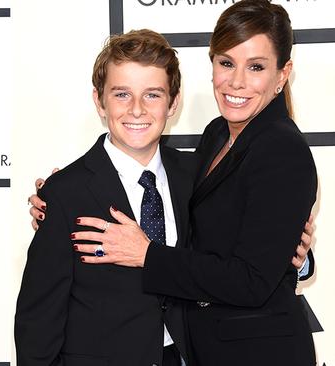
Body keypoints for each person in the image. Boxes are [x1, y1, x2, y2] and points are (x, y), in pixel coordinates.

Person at [69, 1, 317, 365]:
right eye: (226, 63)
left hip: (259, 353)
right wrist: (71, 190)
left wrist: (147, 255)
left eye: (256, 67)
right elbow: (197, 201)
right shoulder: (219, 134)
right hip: (208, 348)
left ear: (283, 74)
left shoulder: (282, 150)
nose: (236, 82)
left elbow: (250, 281)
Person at [15, 29, 196, 366]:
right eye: (122, 94)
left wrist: (298, 258)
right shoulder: (64, 193)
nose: (138, 110)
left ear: (173, 102)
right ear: (99, 101)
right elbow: (37, 321)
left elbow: (230, 264)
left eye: (153, 95)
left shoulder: (198, 176)